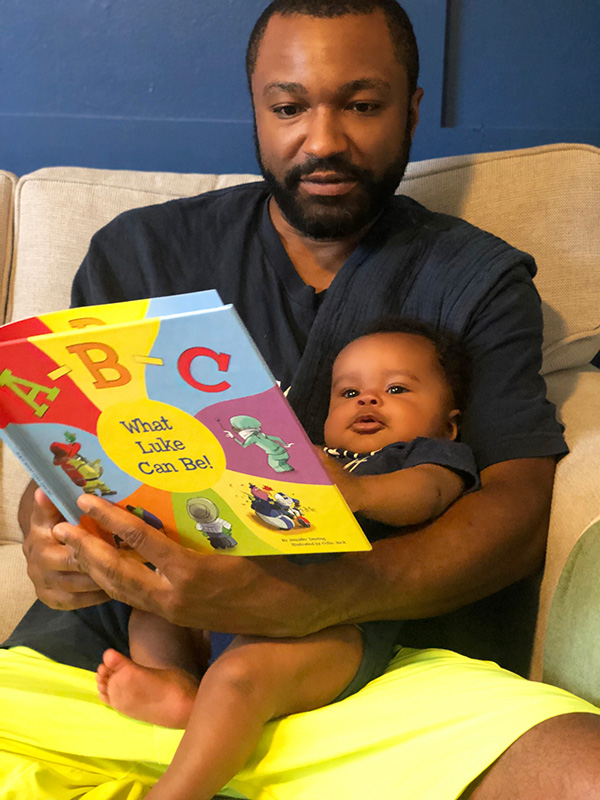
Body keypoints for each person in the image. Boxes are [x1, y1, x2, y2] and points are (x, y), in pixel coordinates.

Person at [3, 1, 600, 798]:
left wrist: (315, 599)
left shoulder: (475, 277)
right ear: (255, 107)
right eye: (289, 107)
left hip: (367, 674)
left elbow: (519, 511)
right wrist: (49, 542)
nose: (322, 140)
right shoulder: (138, 254)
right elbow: (68, 470)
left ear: (412, 107)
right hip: (124, 668)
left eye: (361, 104)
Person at [94, 319, 479, 800]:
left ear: (449, 422)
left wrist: (361, 490)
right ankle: (177, 683)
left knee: (240, 677)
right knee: (152, 604)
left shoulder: (421, 457)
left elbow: (427, 493)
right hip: (232, 604)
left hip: (333, 629)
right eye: (349, 392)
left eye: (396, 388)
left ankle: (174, 792)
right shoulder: (304, 454)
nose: (368, 400)